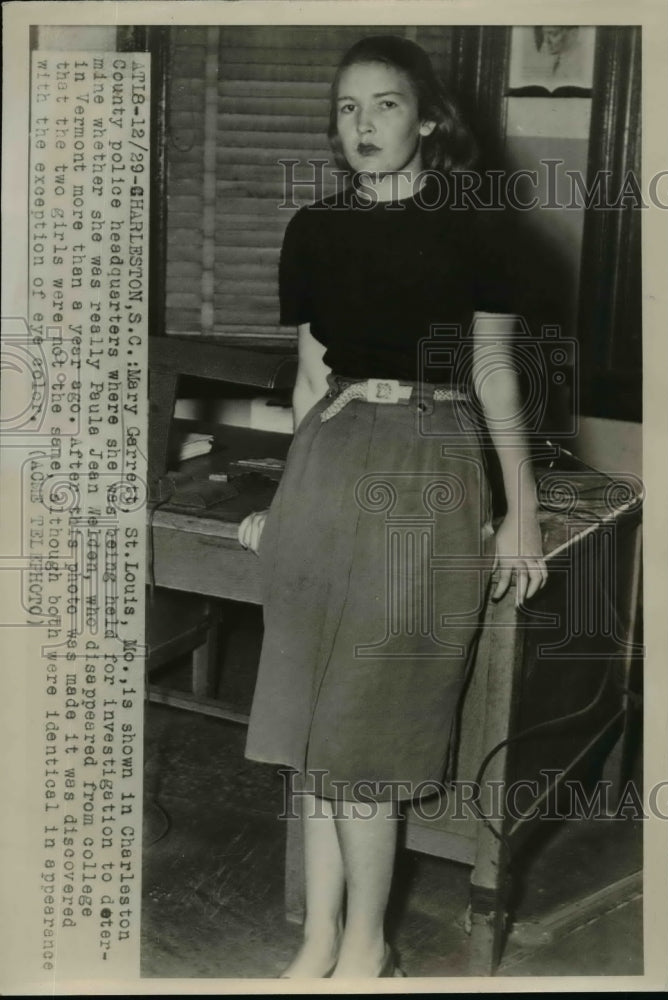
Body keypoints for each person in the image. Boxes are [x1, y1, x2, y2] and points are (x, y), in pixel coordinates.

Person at [238, 35, 548, 979]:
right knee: (312, 728)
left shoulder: (480, 226)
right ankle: (318, 937)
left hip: (432, 463)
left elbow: (494, 376)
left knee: (367, 736)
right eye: (346, 108)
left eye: (384, 105)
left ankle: (368, 945)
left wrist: (522, 512)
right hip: (330, 461)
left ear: (428, 119)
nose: (364, 124)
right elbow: (307, 381)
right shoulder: (315, 230)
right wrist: (287, 503)